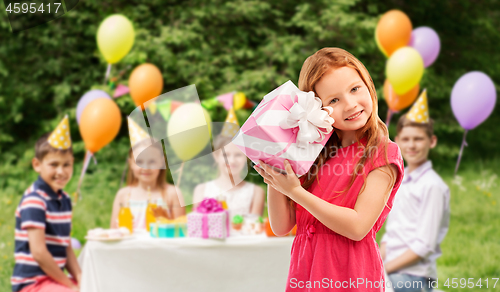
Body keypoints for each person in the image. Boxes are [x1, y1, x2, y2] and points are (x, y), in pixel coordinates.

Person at [255, 47, 405, 292]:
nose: (350, 104)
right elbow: (282, 226)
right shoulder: (311, 155)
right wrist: (276, 158)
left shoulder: (382, 152)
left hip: (350, 276)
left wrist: (295, 192)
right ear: (315, 109)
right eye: (333, 100)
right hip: (305, 275)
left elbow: (358, 227)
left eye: (355, 89)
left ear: (368, 85)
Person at [380, 95, 450, 292]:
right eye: (406, 139)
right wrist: (376, 262)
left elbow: (424, 246)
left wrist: (382, 270)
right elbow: (391, 235)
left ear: (432, 141)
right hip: (391, 270)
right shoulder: (400, 181)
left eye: (418, 139)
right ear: (398, 141)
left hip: (414, 276)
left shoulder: (432, 186)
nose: (411, 145)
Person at [12, 116, 81, 292]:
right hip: (32, 283)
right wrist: (69, 285)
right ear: (37, 164)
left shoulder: (64, 200)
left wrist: (81, 278)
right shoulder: (34, 200)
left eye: (67, 164)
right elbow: (39, 253)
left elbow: (65, 246)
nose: (61, 171)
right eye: (53, 164)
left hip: (53, 279)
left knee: (96, 285)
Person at [111, 138, 185, 230]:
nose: (145, 168)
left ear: (162, 162)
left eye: (152, 161)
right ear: (131, 164)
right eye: (139, 162)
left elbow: (182, 231)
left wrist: (166, 220)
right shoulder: (123, 195)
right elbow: (113, 232)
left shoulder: (172, 193)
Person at [193, 134, 265, 218]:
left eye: (238, 155)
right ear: (216, 156)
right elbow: (197, 224)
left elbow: (254, 226)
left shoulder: (256, 192)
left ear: (246, 157)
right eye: (225, 155)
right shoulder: (201, 190)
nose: (232, 161)